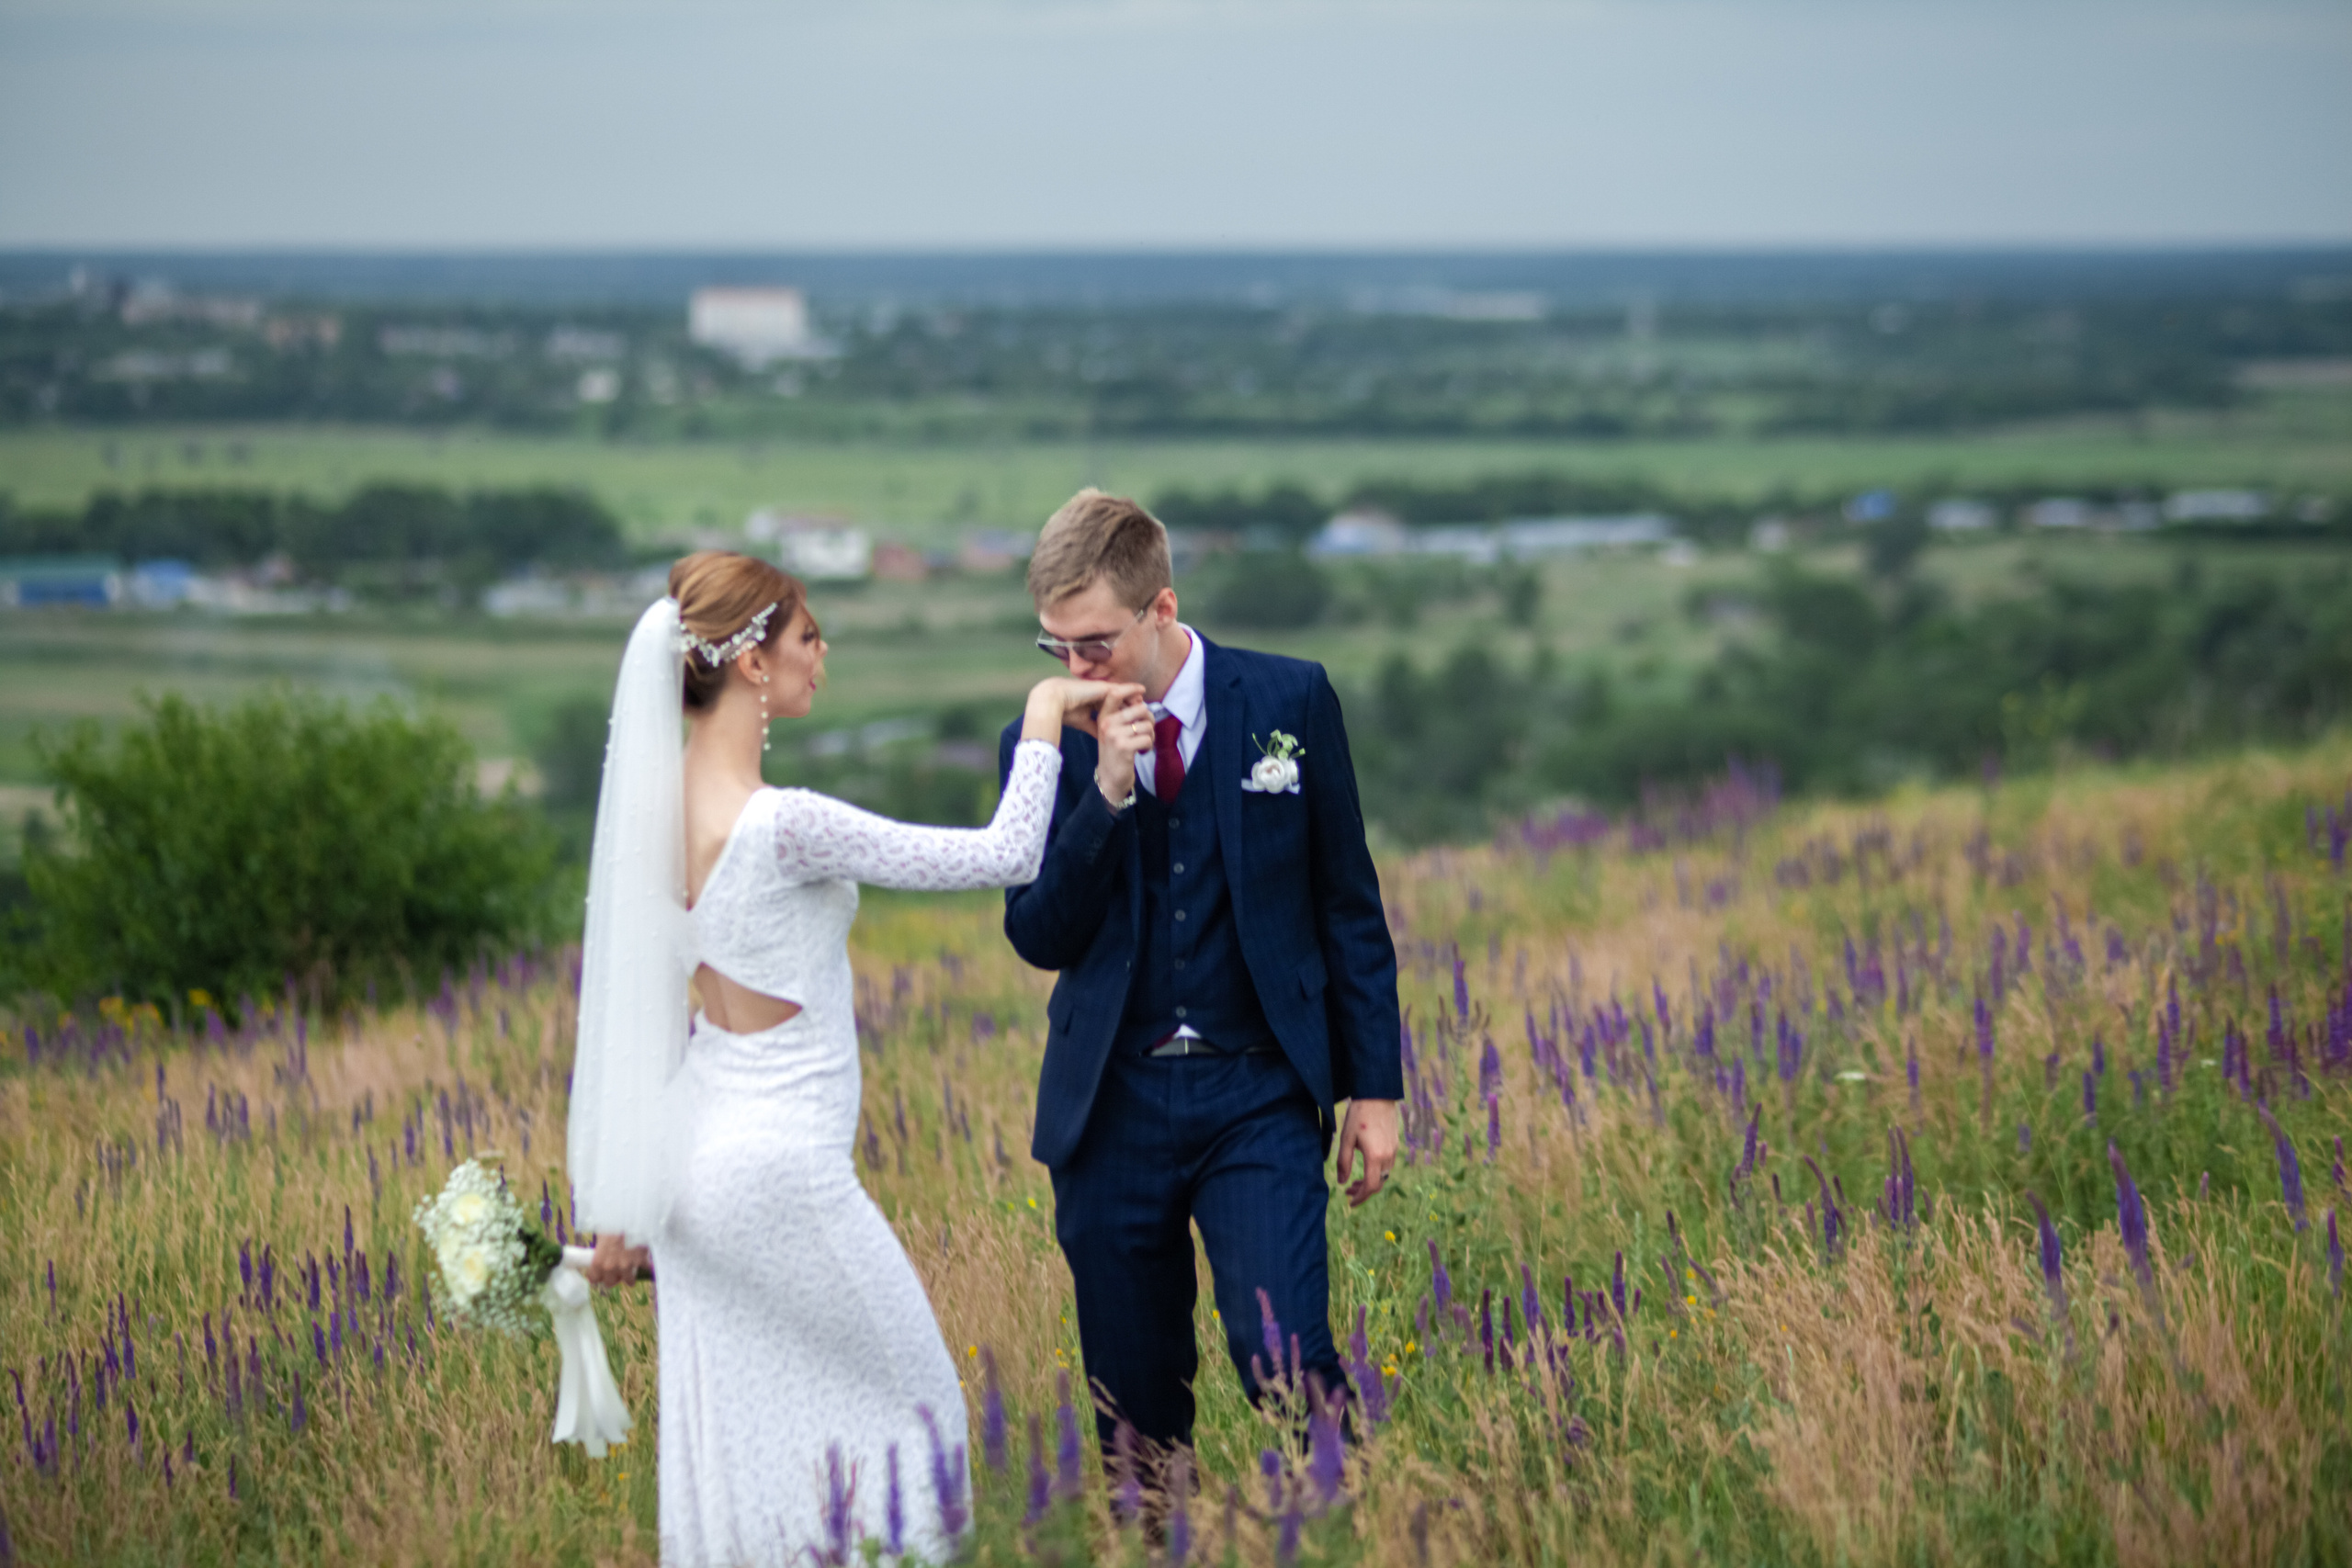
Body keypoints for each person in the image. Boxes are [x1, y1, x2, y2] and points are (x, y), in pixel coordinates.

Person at [571, 549, 1138, 1567]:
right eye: (805, 636)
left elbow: (647, 1031)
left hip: (692, 1175)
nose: (820, 655)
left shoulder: (651, 835)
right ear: (748, 663)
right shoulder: (788, 826)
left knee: (754, 1452)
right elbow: (1006, 855)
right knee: (925, 1416)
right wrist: (1048, 711)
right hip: (783, 1170)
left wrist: (623, 1206)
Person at [995, 491, 1404, 1477]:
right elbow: (1038, 933)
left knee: (1282, 1358)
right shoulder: (1041, 741)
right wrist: (1103, 792)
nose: (1074, 671)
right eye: (1054, 649)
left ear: (1161, 610)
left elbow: (1346, 903)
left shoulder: (1288, 702)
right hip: (1111, 1103)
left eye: (1093, 644)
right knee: (1132, 1409)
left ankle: (1355, 1523)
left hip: (1256, 1088)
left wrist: (1375, 1089)